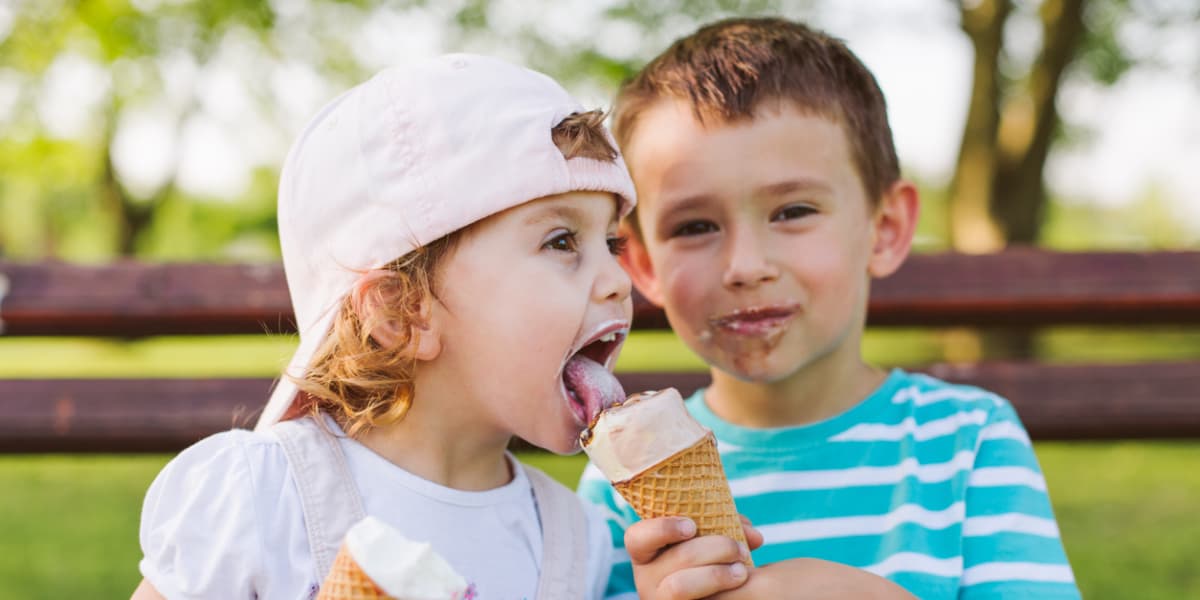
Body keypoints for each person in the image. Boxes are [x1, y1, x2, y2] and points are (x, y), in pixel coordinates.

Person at [131, 53, 756, 599]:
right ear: (404, 312)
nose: (619, 280)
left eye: (611, 244)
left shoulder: (577, 538)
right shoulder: (260, 499)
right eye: (562, 241)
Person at [577, 17, 1081, 599]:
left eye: (792, 212)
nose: (745, 265)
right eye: (694, 226)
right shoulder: (622, 484)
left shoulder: (968, 442)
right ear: (642, 266)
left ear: (885, 229)